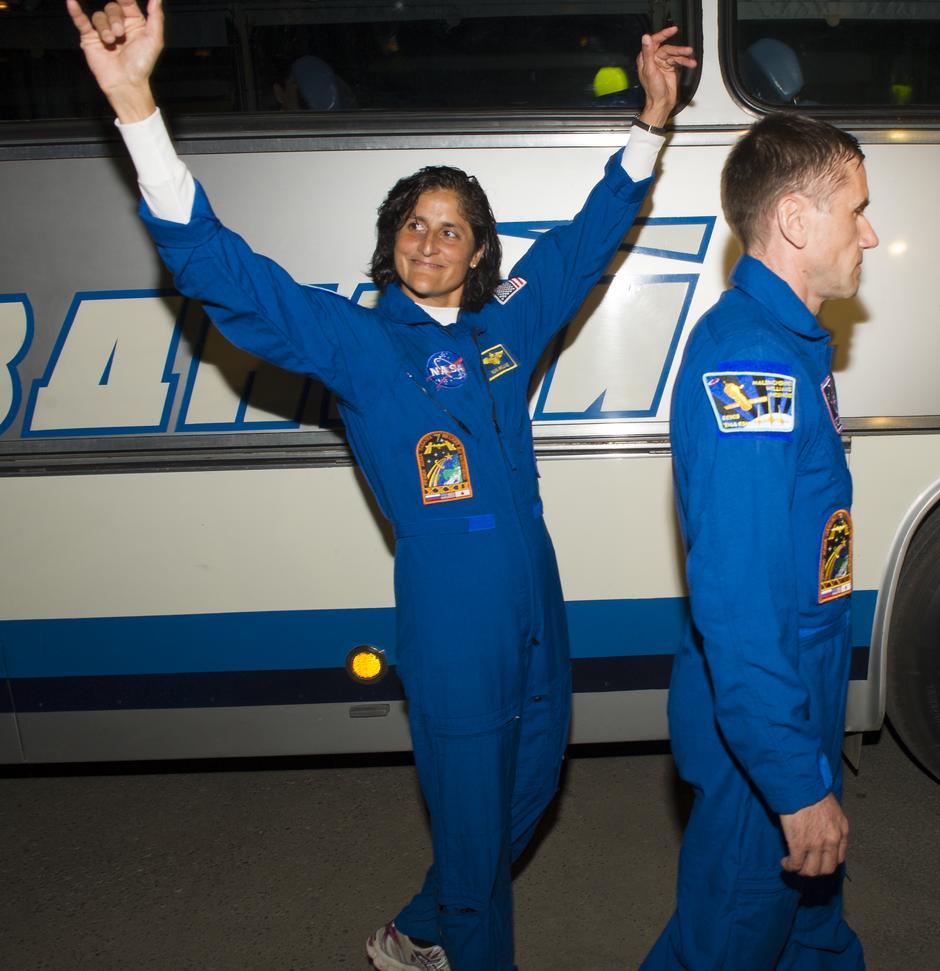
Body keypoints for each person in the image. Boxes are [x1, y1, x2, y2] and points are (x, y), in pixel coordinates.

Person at [65, 2, 695, 969]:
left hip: (536, 594)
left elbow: (581, 242)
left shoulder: (503, 329)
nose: (431, 240)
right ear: (390, 241)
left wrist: (651, 121)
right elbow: (227, 276)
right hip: (451, 614)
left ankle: (413, 931)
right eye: (414, 223)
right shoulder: (358, 343)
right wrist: (137, 110)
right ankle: (460, 943)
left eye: (452, 228)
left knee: (531, 787)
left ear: (480, 251)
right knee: (481, 843)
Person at [640, 112, 877, 971]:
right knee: (730, 942)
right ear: (795, 221)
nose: (871, 233)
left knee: (812, 932)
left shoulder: (791, 346)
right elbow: (737, 603)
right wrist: (792, 778)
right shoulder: (750, 365)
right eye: (857, 209)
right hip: (760, 735)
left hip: (794, 701)